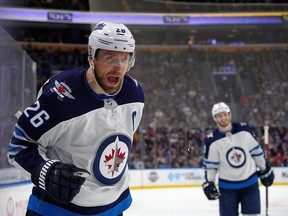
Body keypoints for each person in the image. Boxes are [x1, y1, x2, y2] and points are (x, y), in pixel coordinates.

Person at [7, 21, 144, 216]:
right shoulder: (61, 95)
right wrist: (45, 171)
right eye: (110, 57)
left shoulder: (135, 93)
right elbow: (19, 147)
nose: (118, 67)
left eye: (124, 58)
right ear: (92, 57)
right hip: (56, 210)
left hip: (113, 209)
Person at [202, 102, 274, 216]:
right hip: (227, 189)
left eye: (225, 114)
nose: (223, 118)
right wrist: (209, 182)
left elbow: (256, 152)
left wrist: (265, 169)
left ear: (229, 114)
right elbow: (211, 166)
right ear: (215, 119)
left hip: (250, 183)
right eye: (219, 116)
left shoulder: (244, 129)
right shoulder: (211, 141)